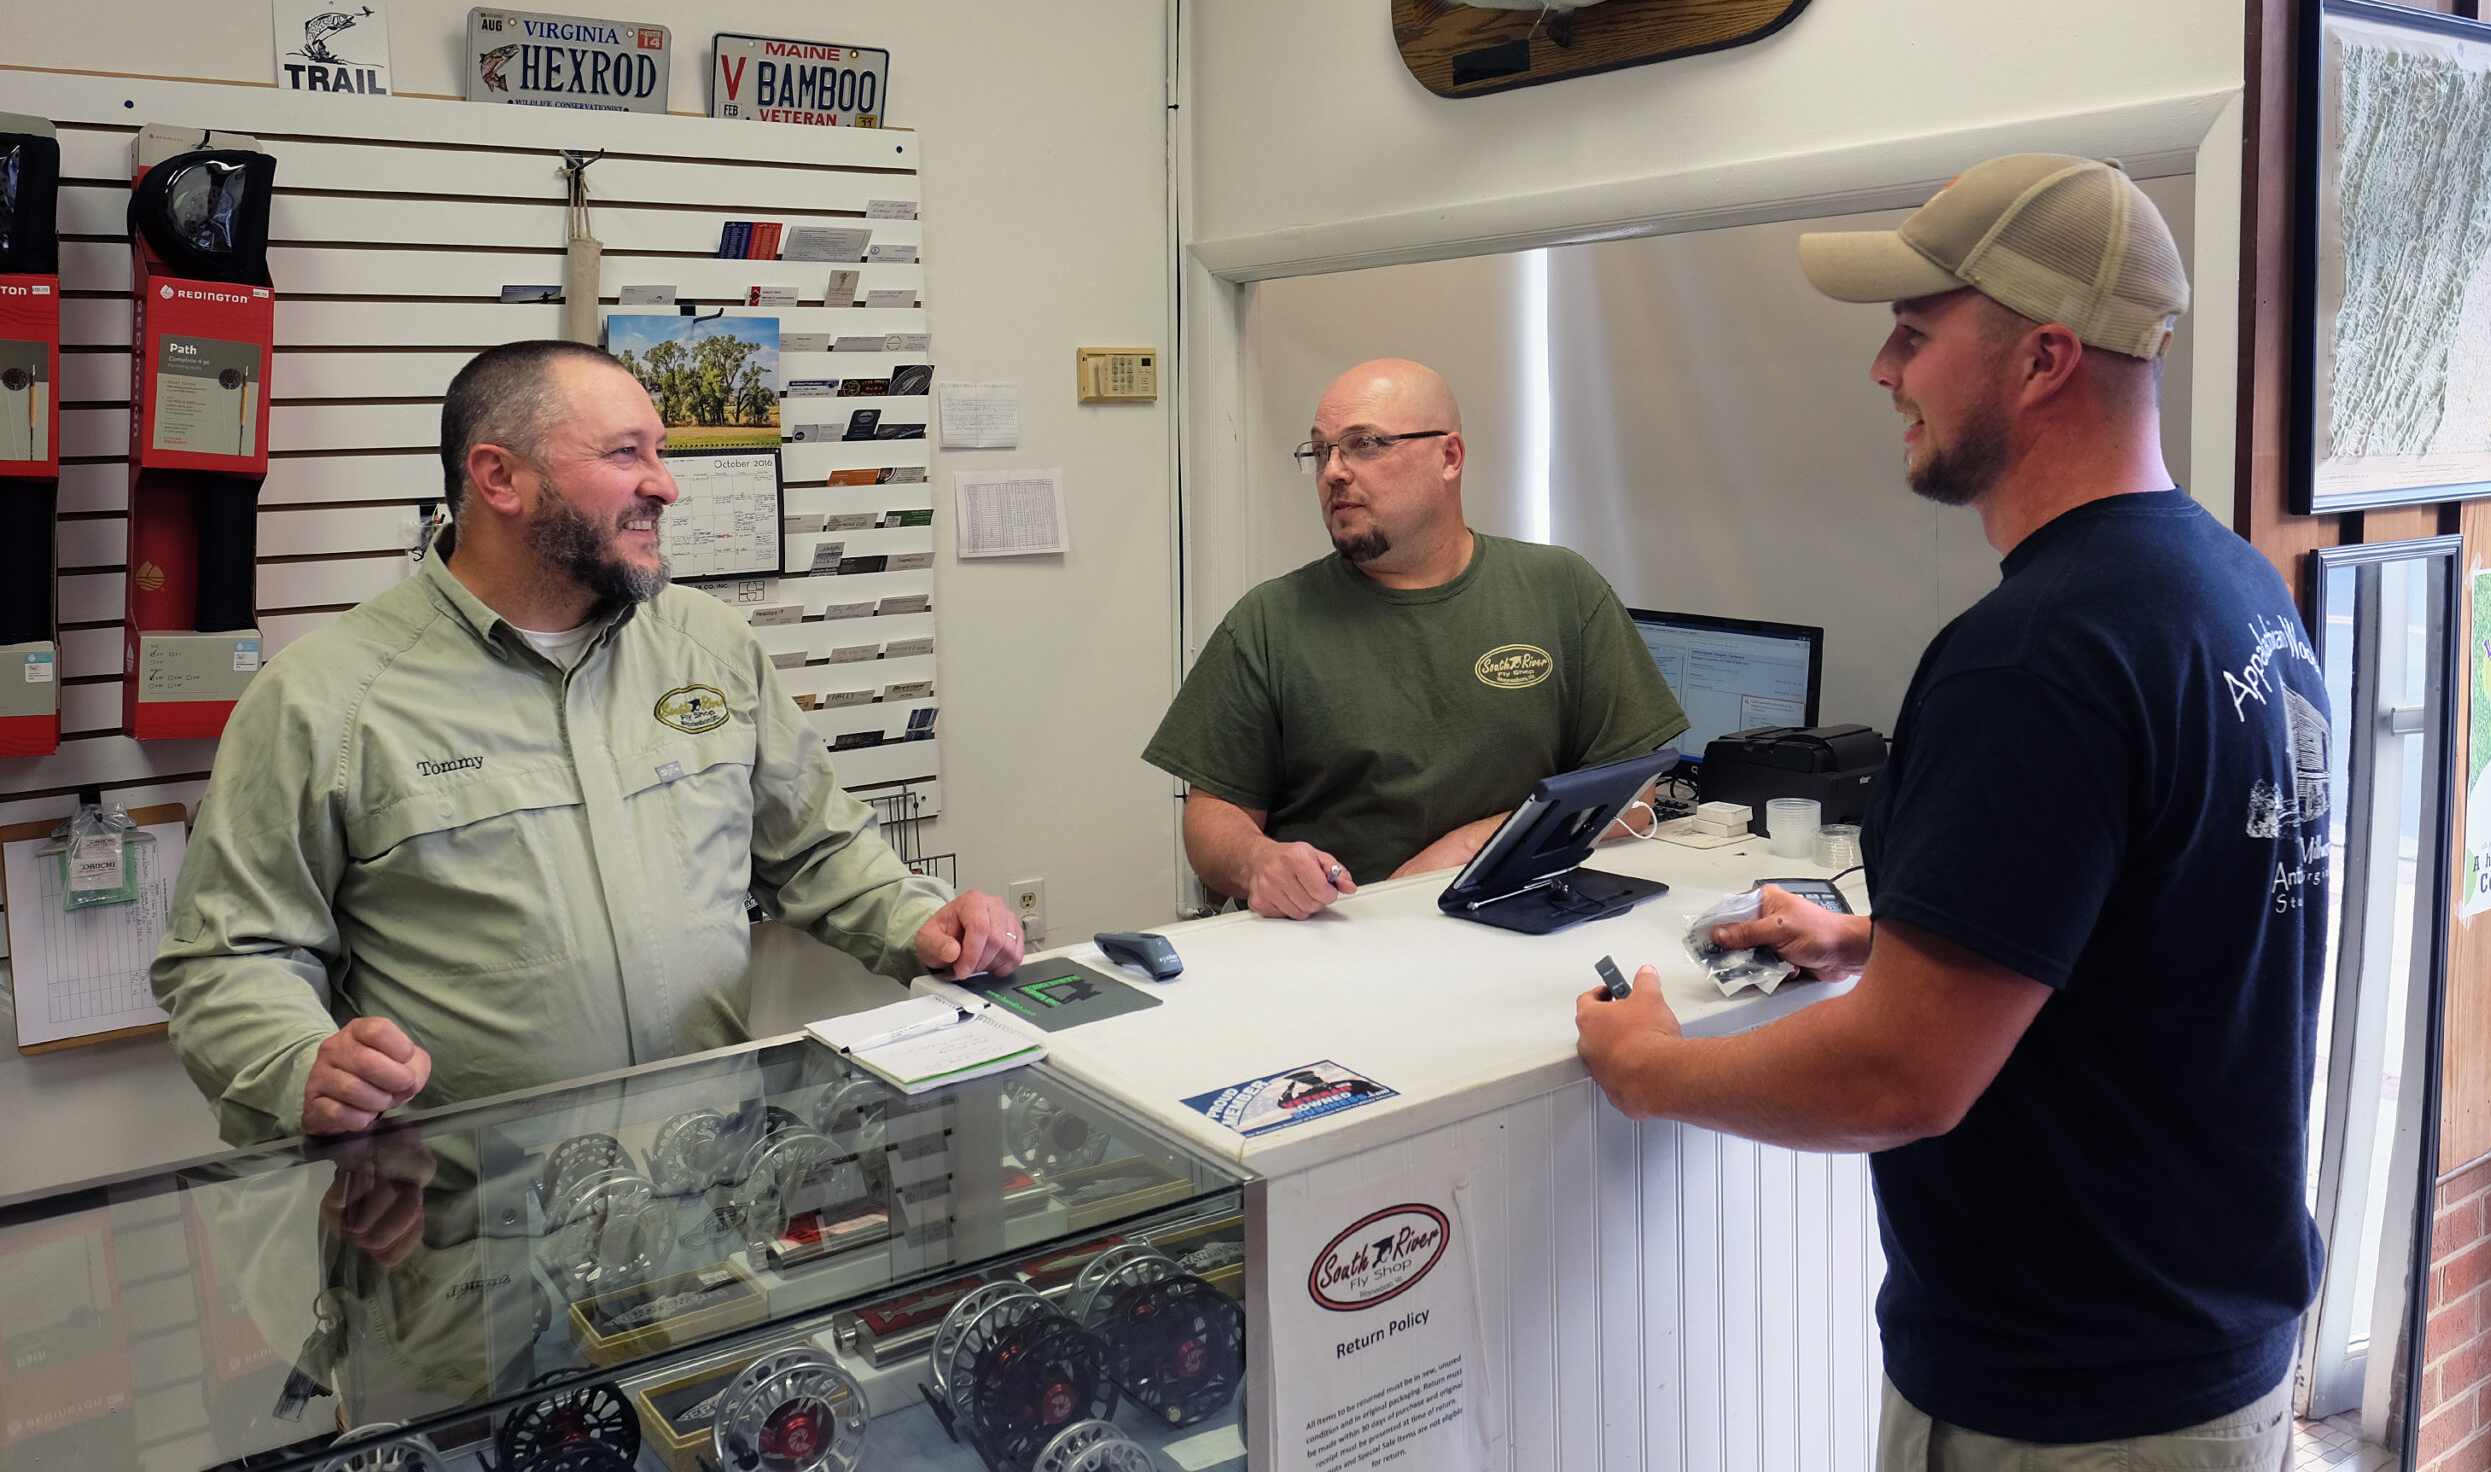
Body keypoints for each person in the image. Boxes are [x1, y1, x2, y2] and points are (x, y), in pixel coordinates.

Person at [1573, 156, 2327, 1464]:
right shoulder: (2229, 589)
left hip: (2072, 1407)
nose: (1883, 371)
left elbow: (1902, 1076)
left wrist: (1650, 1068)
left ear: (2041, 360)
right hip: (2212, 1357)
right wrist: (1882, 941)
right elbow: (2164, 928)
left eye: (1915, 335)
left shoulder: (2037, 649)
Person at [153, 341, 1022, 1146]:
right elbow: (232, 957)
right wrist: (299, 1063)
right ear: (499, 477)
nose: (666, 487)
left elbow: (819, 849)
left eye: (660, 453)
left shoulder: (708, 646)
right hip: (470, 1232)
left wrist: (922, 922)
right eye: (625, 454)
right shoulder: (324, 697)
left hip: (707, 1191)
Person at [1144, 358, 1684, 918]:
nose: (1334, 472)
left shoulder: (1560, 589)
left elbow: (1633, 799)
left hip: (1516, 923)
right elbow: (1211, 821)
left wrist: (1469, 849)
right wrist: (1259, 861)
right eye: (1322, 450)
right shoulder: (1269, 621)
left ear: (1448, 457)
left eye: (1365, 445)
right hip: (1337, 938)